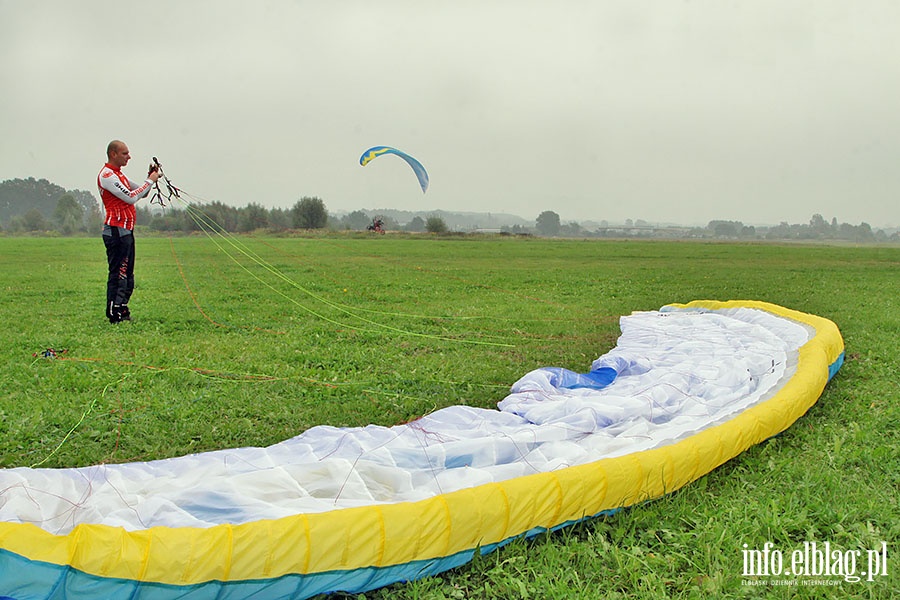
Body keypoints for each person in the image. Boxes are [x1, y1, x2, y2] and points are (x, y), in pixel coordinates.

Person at [97, 140, 160, 323]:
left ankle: (123, 308)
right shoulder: (107, 175)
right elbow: (131, 197)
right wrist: (150, 181)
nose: (129, 157)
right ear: (113, 154)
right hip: (116, 229)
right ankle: (113, 311)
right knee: (118, 272)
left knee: (128, 273)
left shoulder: (120, 175)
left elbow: (142, 192)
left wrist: (150, 177)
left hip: (126, 230)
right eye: (125, 154)